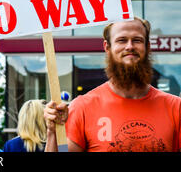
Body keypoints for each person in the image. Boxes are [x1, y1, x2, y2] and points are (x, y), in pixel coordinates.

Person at [44, 17, 181, 152]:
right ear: (107, 47)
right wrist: (52, 132)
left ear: (148, 47)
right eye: (122, 40)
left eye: (137, 40)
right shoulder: (82, 107)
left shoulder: (175, 108)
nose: (130, 46)